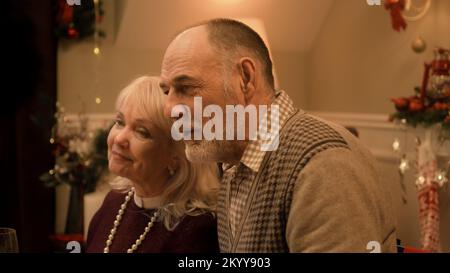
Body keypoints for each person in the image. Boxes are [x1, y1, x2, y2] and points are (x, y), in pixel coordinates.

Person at [160, 18, 398, 252]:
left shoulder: (323, 164)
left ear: (245, 78)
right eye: (167, 91)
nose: (169, 109)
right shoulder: (232, 163)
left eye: (186, 88)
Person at [86, 76, 220, 253]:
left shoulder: (196, 229)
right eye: (120, 122)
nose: (119, 139)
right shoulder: (114, 201)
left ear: (177, 154)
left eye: (142, 132)